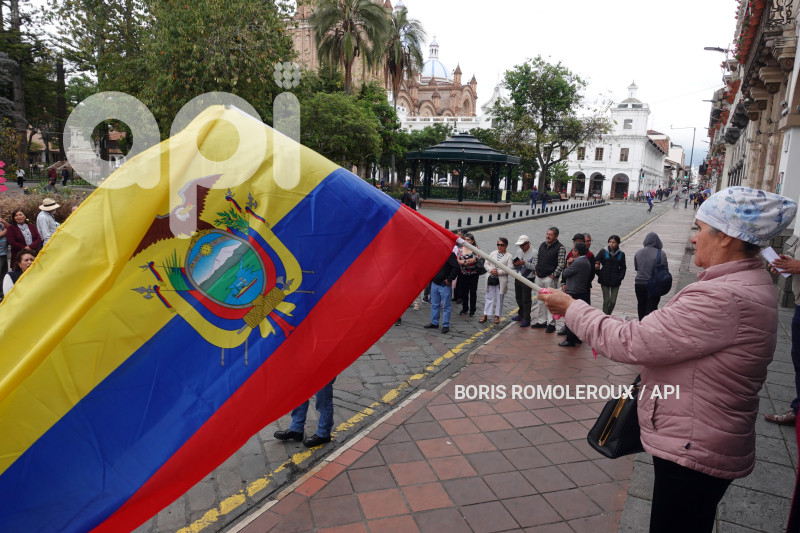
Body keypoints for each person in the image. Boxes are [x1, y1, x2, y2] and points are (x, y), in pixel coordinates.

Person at [538, 187, 797, 533]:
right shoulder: (743, 283)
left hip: (695, 444)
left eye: (701, 229)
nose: (693, 239)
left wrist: (572, 308)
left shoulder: (723, 296)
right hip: (703, 432)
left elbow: (633, 342)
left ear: (727, 239)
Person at [764, 235, 800, 426]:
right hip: (799, 303)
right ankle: (798, 410)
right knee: (798, 359)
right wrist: (782, 262)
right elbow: (793, 255)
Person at [274, 378, 336, 448]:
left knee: (323, 401)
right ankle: (296, 429)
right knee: (300, 395)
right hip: (307, 367)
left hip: (324, 370)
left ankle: (324, 434)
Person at [531, 227, 566, 332]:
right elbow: (537, 258)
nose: (548, 236)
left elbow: (561, 264)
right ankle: (541, 321)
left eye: (550, 234)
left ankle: (551, 324)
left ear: (556, 236)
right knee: (540, 300)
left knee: (550, 301)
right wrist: (536, 269)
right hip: (539, 276)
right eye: (547, 234)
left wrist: (553, 275)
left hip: (550, 278)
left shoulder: (560, 248)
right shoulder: (542, 245)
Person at [558, 242, 591, 347]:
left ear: (576, 252)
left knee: (570, 317)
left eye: (573, 250)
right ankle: (577, 338)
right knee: (577, 317)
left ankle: (570, 339)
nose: (572, 252)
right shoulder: (585, 261)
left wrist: (568, 264)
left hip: (574, 292)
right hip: (581, 291)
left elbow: (566, 273)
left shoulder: (578, 262)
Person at [634, 232, 669, 320]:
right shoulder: (661, 254)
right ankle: (648, 327)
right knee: (651, 307)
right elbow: (665, 270)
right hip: (653, 285)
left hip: (639, 284)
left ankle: (640, 324)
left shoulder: (638, 252)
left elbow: (636, 267)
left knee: (641, 305)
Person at [424, 251, 460, 334]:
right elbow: (430, 267)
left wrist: (450, 279)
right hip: (434, 283)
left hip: (444, 284)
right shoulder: (434, 253)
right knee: (434, 304)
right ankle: (434, 322)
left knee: (446, 306)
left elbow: (456, 267)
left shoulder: (450, 254)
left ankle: (445, 325)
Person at [481, 237, 514, 324]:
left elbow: (509, 269)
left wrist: (498, 272)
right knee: (489, 296)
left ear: (506, 246)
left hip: (501, 280)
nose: (499, 246)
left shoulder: (509, 256)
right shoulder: (492, 253)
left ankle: (497, 316)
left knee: (500, 298)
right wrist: (491, 270)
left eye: (502, 245)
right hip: (491, 278)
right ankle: (485, 314)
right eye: (498, 244)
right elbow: (486, 263)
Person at [594, 235, 627, 315]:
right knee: (606, 301)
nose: (611, 244)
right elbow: (595, 262)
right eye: (610, 242)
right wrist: (600, 274)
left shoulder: (621, 254)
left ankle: (608, 315)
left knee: (612, 301)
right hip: (604, 279)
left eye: (614, 242)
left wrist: (620, 278)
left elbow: (623, 267)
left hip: (616, 280)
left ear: (618, 243)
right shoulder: (603, 251)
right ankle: (605, 318)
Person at [511, 234, 536, 327]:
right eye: (520, 245)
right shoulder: (519, 251)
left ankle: (526, 318)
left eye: (522, 245)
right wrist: (515, 263)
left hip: (528, 278)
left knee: (526, 299)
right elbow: (514, 264)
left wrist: (524, 263)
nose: (521, 247)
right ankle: (520, 314)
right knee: (518, 297)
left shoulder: (534, 252)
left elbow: (535, 267)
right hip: (518, 276)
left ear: (527, 244)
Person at [457, 233, 480, 317]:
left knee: (473, 292)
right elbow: (458, 260)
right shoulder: (460, 249)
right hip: (463, 274)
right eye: (465, 239)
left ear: (472, 241)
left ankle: (472, 310)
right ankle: (465, 308)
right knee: (464, 292)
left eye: (468, 240)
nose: (466, 241)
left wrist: (464, 262)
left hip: (473, 274)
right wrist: (466, 262)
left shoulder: (475, 249)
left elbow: (475, 259)